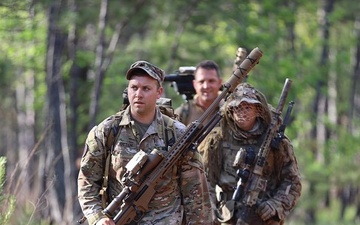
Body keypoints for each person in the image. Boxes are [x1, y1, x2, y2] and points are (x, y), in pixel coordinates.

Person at [78, 60, 212, 225]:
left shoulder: (177, 134)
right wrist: (98, 218)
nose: (138, 94)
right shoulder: (106, 131)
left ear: (159, 92)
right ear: (127, 90)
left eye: (146, 89)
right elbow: (87, 183)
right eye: (134, 88)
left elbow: (195, 194)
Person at [198, 83, 302, 225]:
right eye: (237, 108)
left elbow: (292, 181)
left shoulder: (276, 142)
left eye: (248, 107)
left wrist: (276, 204)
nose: (242, 113)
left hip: (264, 216)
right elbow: (204, 180)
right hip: (228, 216)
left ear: (258, 110)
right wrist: (210, 209)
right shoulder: (217, 140)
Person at [175, 60, 222, 126]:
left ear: (220, 82)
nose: (206, 86)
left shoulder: (230, 110)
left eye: (211, 81)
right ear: (195, 84)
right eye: (201, 82)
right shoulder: (183, 113)